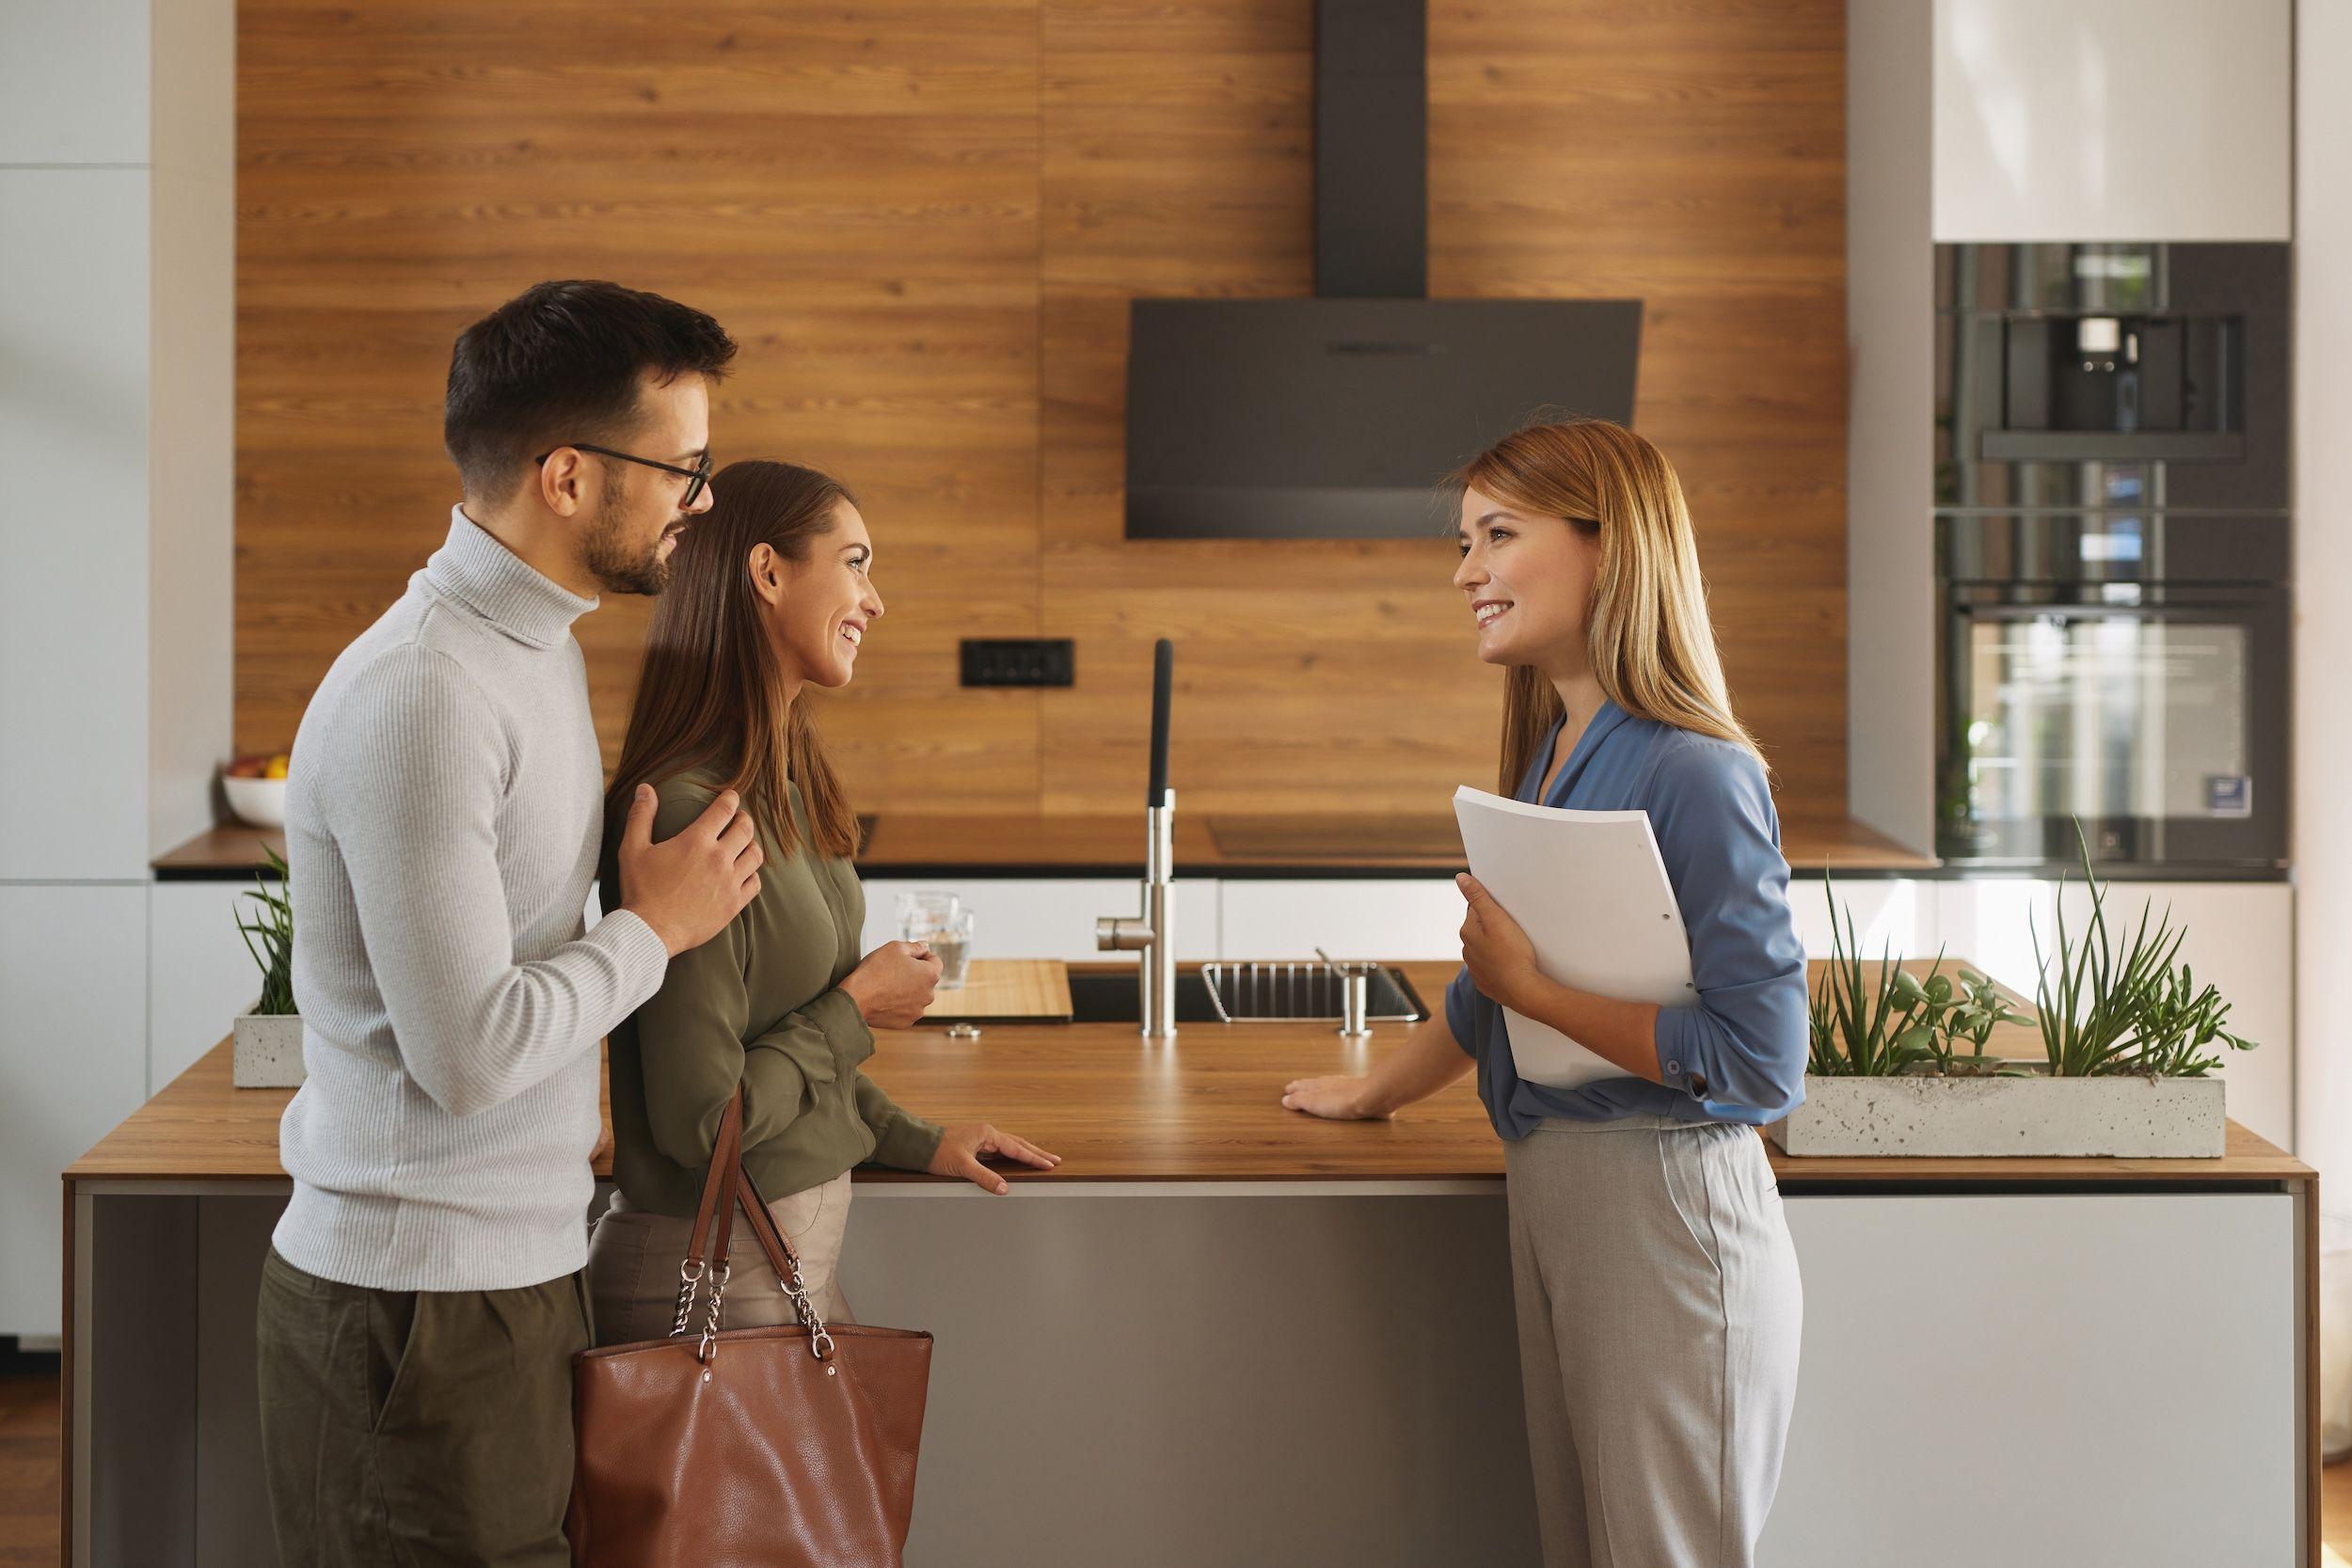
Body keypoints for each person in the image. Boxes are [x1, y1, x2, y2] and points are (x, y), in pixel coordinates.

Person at [256, 279, 761, 1566]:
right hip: (415, 1302)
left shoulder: (535, 646)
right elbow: (469, 1052)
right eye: (685, 468)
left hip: (506, 1272)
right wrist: (656, 930)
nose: (702, 500)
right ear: (568, 477)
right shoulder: (426, 690)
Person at [1282, 419, 1807, 1568]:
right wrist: (1377, 1092)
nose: (1466, 571)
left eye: (1498, 534)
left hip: (1663, 1208)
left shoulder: (1696, 770)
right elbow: (1492, 997)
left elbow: (1761, 1059)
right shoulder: (1560, 753)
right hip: (1567, 1196)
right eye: (1465, 541)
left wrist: (1535, 985)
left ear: (1607, 547)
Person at [585, 457, 1059, 1347]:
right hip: (718, 1271)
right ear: (767, 573)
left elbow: (791, 1052)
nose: (874, 600)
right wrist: (856, 1005)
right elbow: (706, 1123)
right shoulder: (693, 816)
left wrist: (918, 1137)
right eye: (855, 563)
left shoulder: (788, 789)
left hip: (776, 1261)